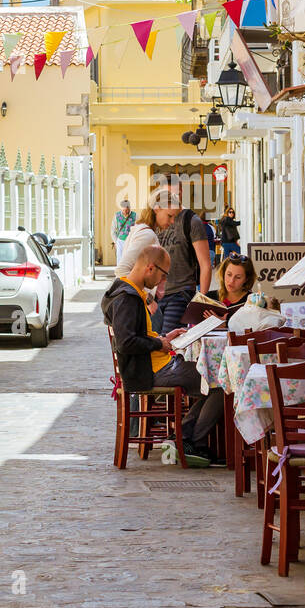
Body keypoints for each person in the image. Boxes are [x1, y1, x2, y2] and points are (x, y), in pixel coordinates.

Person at [101, 245, 224, 466]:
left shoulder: (131, 292)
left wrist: (166, 337)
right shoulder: (127, 298)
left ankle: (182, 438)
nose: (162, 281)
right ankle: (188, 441)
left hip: (157, 365)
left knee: (212, 379)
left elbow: (140, 334)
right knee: (219, 382)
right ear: (150, 268)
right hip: (151, 371)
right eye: (163, 275)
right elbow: (126, 342)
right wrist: (159, 343)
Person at [152, 189, 212, 335]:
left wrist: (200, 301)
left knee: (170, 344)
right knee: (154, 345)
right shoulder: (154, 221)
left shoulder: (191, 221)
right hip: (154, 296)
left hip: (180, 293)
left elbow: (206, 265)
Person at [110, 199, 136, 265]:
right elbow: (113, 230)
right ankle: (119, 275)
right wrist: (116, 241)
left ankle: (129, 275)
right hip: (120, 241)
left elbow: (137, 228)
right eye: (123, 210)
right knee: (120, 260)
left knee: (130, 259)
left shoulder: (135, 216)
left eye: (127, 210)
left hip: (131, 241)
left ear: (129, 208)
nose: (125, 212)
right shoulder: (117, 216)